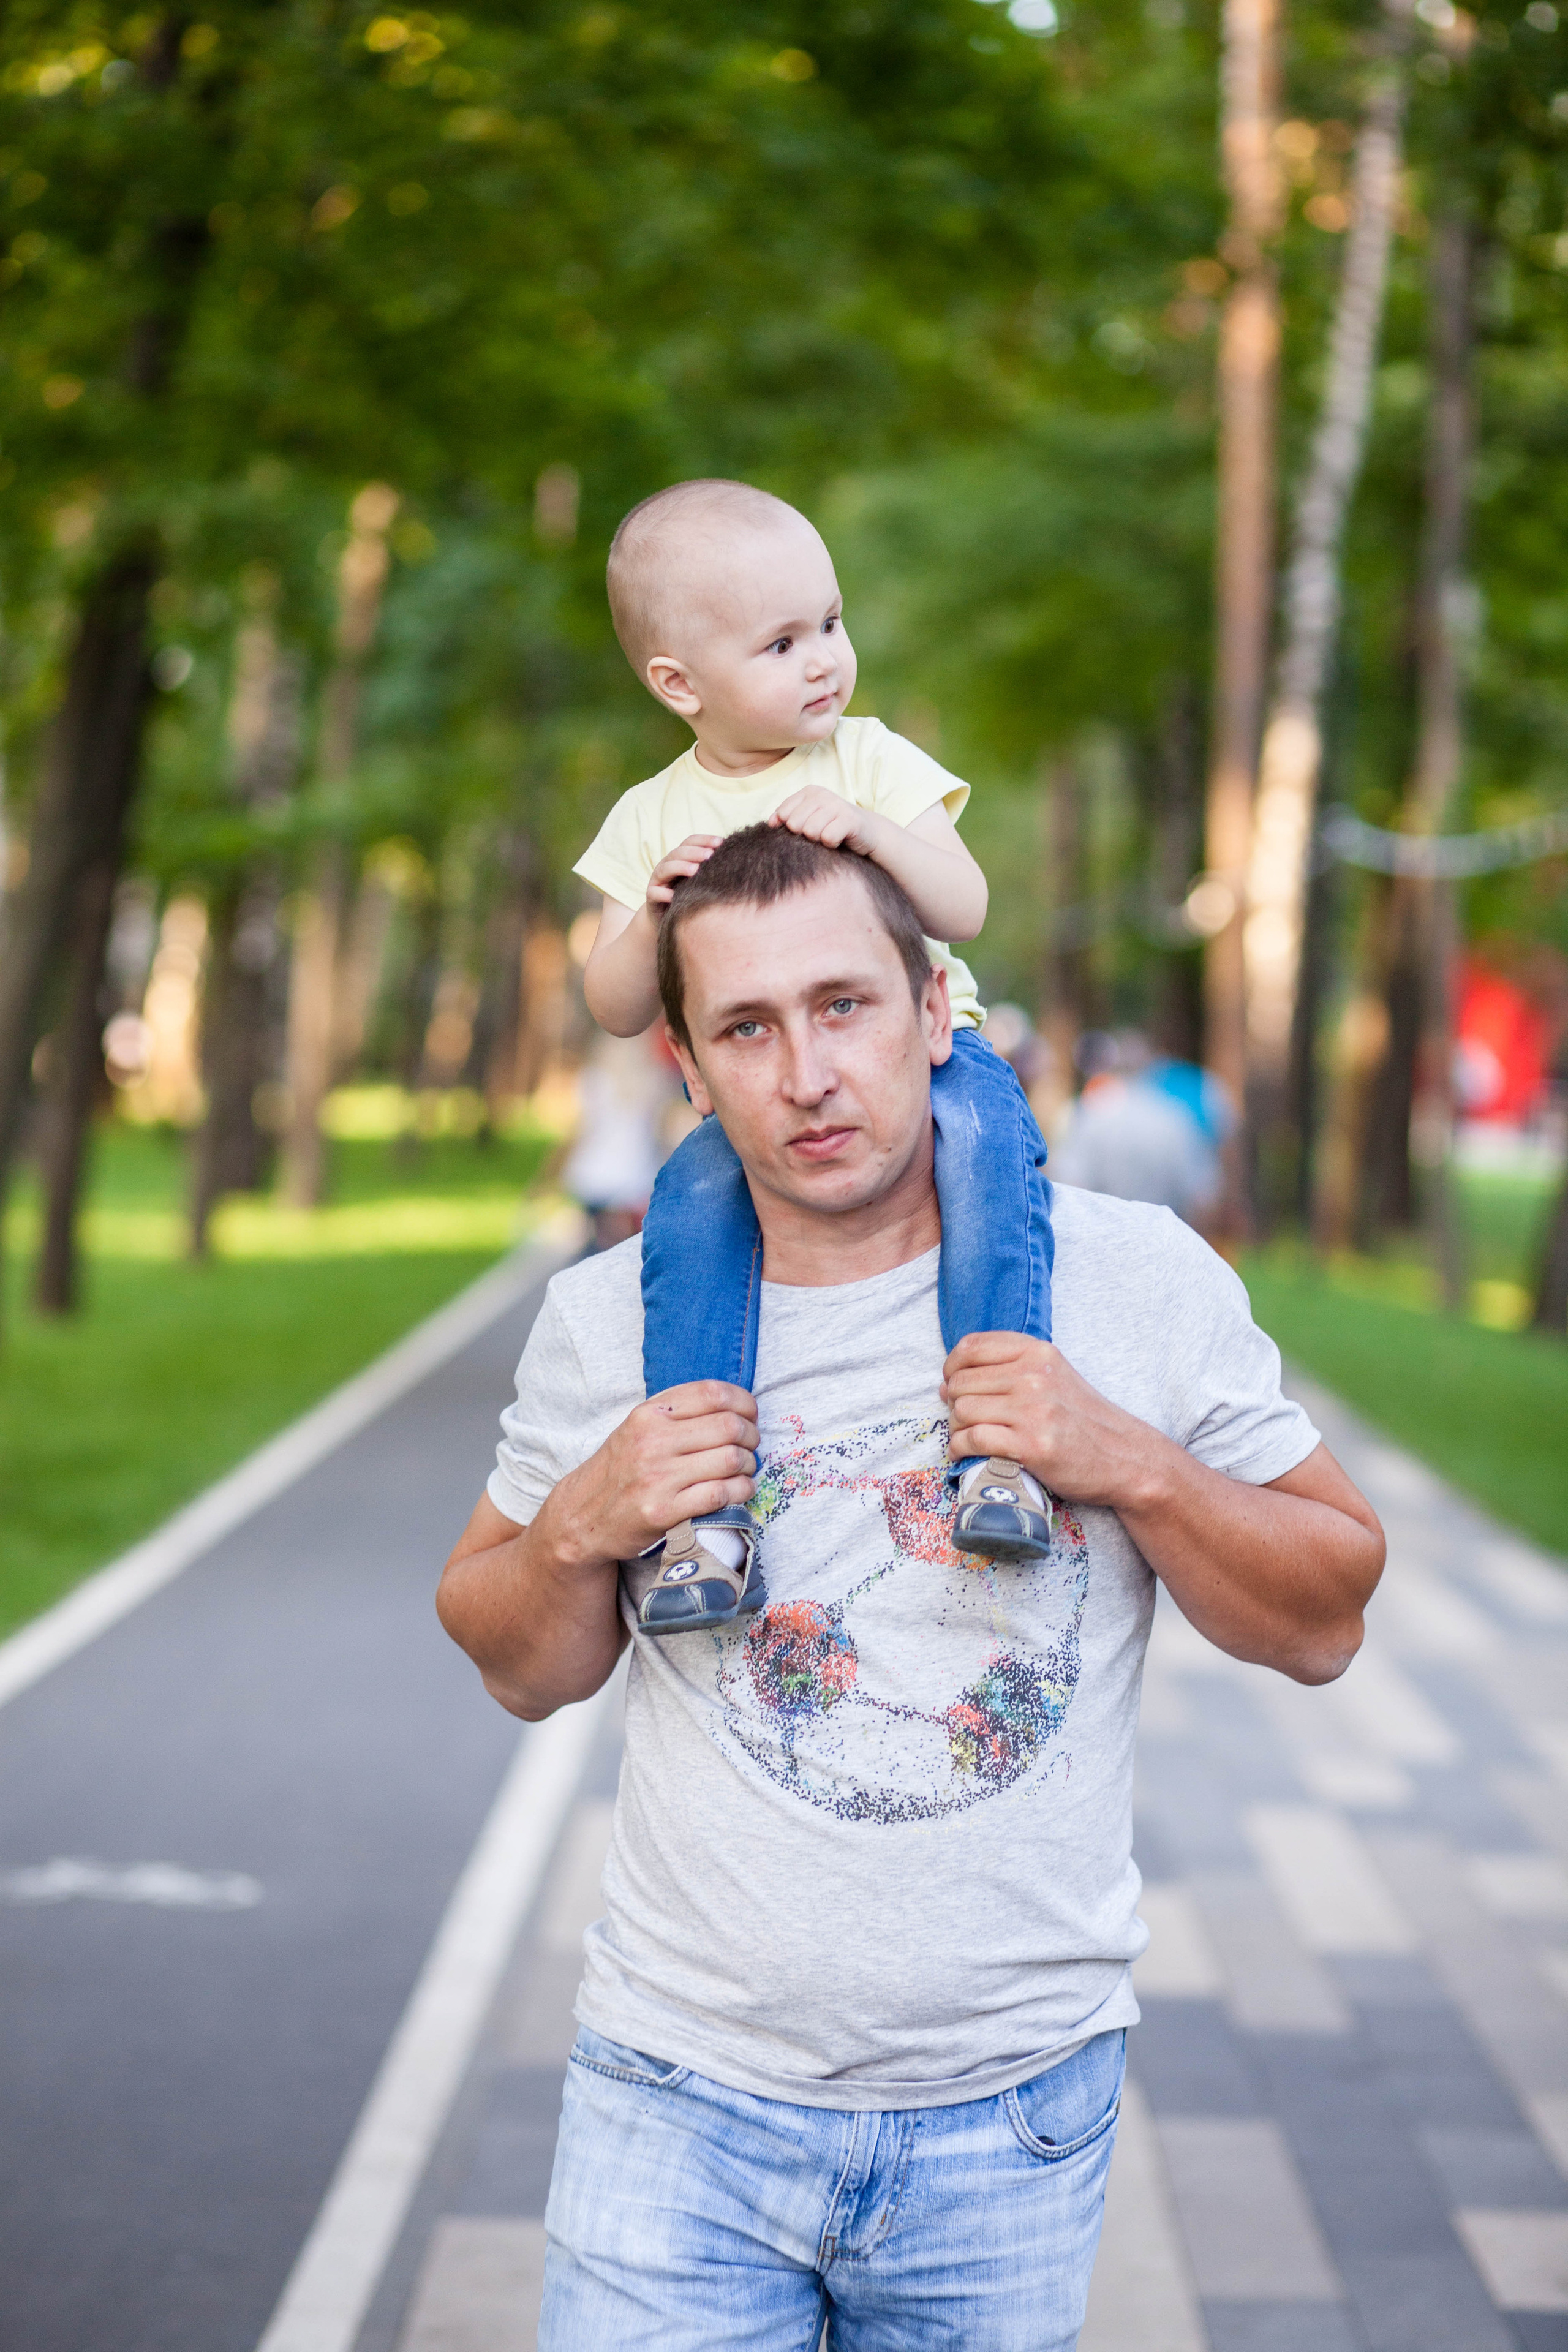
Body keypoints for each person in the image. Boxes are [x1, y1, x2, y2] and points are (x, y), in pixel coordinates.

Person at [438, 826, 1385, 2351]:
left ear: (935, 1010)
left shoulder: (1129, 1279)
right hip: (677, 2092)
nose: (805, 1073)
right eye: (746, 1027)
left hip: (1007, 2110)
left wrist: (1126, 1459)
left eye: (842, 1006)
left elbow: (1329, 1615)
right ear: (686, 1064)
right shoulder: (613, 1317)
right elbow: (516, 1665)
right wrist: (574, 1530)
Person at [573, 477, 1054, 1635]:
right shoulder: (650, 813)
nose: (825, 661)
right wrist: (648, 914)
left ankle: (1000, 1454)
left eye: (831, 624)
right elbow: (613, 1003)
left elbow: (968, 903)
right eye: (782, 642)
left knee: (989, 1155)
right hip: (755, 1105)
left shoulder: (872, 759)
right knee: (689, 1208)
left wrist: (877, 834)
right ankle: (705, 1515)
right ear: (679, 683)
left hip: (934, 1060)